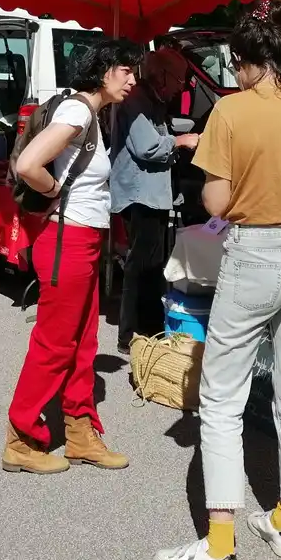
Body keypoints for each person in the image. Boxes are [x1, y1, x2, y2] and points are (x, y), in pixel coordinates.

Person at [155, 0, 281, 560]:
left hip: (254, 255)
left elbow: (214, 202)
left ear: (242, 60)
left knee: (222, 398)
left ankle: (220, 544)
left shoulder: (230, 113)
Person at [3, 38, 142, 475]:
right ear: (104, 71)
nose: (133, 79)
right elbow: (29, 164)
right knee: (54, 343)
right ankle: (21, 437)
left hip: (79, 240)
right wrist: (54, 190)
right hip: (67, 239)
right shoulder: (79, 111)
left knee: (82, 341)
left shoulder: (88, 112)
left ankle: (81, 433)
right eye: (126, 71)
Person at [110, 47, 200, 353]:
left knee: (153, 266)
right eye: (179, 79)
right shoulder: (136, 101)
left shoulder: (155, 102)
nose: (181, 86)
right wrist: (182, 140)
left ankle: (149, 329)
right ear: (161, 75)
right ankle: (131, 334)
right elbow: (147, 147)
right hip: (140, 195)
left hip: (153, 195)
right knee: (141, 266)